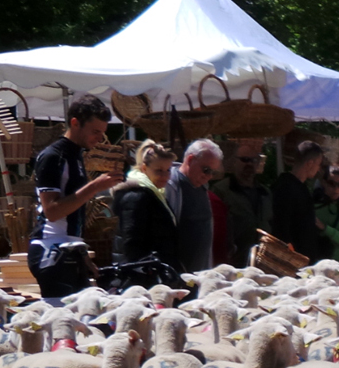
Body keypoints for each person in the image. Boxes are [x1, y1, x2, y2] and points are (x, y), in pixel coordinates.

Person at [28, 95, 120, 298]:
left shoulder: (76, 155)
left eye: (103, 132)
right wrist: (95, 186)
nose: (100, 138)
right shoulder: (53, 156)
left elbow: (72, 211)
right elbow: (52, 211)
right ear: (75, 123)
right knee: (62, 322)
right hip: (51, 249)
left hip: (68, 248)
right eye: (95, 131)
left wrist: (82, 254)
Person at [111, 140, 180, 268]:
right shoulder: (136, 196)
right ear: (144, 168)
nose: (165, 176)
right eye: (159, 171)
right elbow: (131, 245)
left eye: (168, 170)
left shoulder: (155, 193)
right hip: (143, 275)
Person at [165, 139, 223, 273]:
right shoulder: (170, 185)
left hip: (200, 274)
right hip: (176, 274)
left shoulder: (202, 188)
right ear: (190, 159)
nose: (208, 176)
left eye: (213, 172)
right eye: (206, 170)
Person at [211, 141, 271, 267]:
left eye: (253, 160)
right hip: (234, 263)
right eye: (245, 160)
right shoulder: (221, 191)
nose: (249, 163)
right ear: (234, 162)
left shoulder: (265, 193)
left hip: (263, 263)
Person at [271, 140, 326, 262]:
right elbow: (281, 226)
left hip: (304, 258)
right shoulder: (285, 187)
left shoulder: (301, 187)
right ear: (310, 163)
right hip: (292, 262)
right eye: (318, 164)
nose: (319, 169)